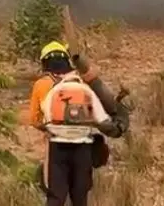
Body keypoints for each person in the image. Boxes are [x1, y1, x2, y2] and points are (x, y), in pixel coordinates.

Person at [28, 41, 125, 206]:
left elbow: (39, 119)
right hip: (82, 148)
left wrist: (53, 128)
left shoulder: (47, 88)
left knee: (55, 196)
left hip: (56, 147)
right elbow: (102, 119)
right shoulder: (85, 88)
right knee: (80, 197)